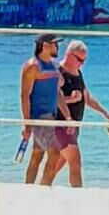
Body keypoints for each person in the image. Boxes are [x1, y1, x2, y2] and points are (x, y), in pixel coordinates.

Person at [51, 39, 109, 189]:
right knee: (75, 162)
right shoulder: (58, 73)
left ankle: (40, 188)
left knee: (57, 163)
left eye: (84, 60)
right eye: (79, 59)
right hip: (61, 125)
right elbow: (49, 99)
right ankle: (78, 194)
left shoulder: (77, 73)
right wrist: (70, 99)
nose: (82, 64)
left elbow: (86, 97)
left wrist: (106, 114)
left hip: (74, 127)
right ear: (69, 54)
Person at [21, 40, 67, 183]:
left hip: (52, 116)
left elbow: (58, 91)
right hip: (40, 116)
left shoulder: (54, 65)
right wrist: (27, 123)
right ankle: (43, 188)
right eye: (55, 44)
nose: (58, 47)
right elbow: (25, 95)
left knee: (37, 154)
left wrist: (68, 116)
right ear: (45, 46)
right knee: (54, 153)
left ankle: (28, 188)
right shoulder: (32, 66)